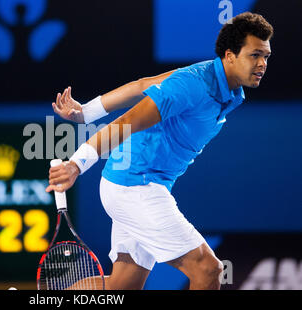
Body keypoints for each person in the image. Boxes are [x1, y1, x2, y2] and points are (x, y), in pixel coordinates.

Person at [46, 12, 273, 290]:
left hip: (135, 183)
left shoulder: (221, 85)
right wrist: (77, 164)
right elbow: (126, 123)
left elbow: (142, 85)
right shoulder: (192, 85)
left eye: (266, 56)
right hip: (135, 185)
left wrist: (86, 113)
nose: (262, 64)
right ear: (229, 55)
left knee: (122, 286)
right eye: (255, 55)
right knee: (208, 269)